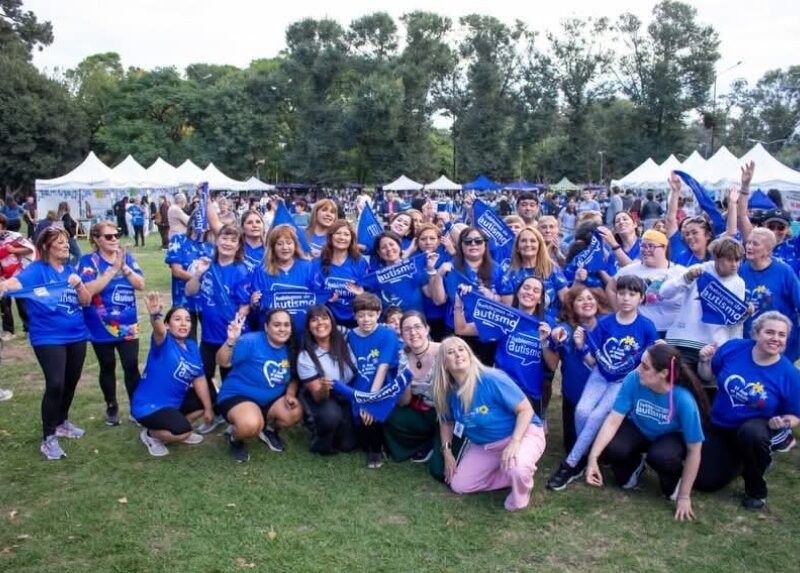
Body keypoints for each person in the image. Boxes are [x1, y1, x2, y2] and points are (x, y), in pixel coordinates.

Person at [547, 275, 658, 490]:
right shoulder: (606, 322)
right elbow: (592, 361)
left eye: (632, 294)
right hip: (600, 375)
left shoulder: (646, 326)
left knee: (597, 415)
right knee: (581, 412)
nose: (626, 298)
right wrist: (581, 347)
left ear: (641, 298)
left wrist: (637, 373)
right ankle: (587, 453)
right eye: (622, 293)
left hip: (623, 380)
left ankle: (571, 463)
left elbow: (649, 360)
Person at [585, 344, 708, 521]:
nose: (638, 369)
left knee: (661, 458)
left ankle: (673, 480)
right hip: (639, 427)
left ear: (663, 373)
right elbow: (613, 420)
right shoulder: (633, 379)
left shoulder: (683, 399)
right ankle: (635, 465)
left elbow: (695, 450)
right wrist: (593, 458)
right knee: (614, 451)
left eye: (645, 366)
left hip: (669, 437)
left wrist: (684, 496)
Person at [0, 227, 91, 460]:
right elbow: (16, 283)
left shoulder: (70, 270)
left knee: (70, 382)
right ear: (46, 247)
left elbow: (86, 301)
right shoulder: (37, 271)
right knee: (55, 384)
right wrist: (4, 286)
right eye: (59, 242)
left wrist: (79, 285)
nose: (66, 245)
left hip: (77, 335)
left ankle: (62, 422)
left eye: (66, 241)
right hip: (48, 337)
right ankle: (48, 437)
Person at [696, 311, 800, 510]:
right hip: (720, 425)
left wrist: (783, 422)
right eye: (769, 332)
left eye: (781, 335)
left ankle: (756, 489)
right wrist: (704, 361)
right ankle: (743, 460)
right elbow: (707, 377)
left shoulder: (790, 374)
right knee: (705, 483)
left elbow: (795, 415)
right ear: (756, 333)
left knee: (751, 434)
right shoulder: (734, 349)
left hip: (757, 428)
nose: (775, 338)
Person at [432, 336, 546, 511]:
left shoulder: (492, 379)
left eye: (461, 349)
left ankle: (521, 483)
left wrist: (515, 443)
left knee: (517, 469)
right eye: (451, 352)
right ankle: (512, 472)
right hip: (486, 446)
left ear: (469, 355)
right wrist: (447, 452)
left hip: (522, 434)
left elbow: (526, 410)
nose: (458, 354)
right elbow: (446, 422)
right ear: (444, 364)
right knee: (459, 485)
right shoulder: (448, 392)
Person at [185, 224, 251, 433]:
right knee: (203, 375)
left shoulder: (241, 270)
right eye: (224, 238)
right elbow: (189, 291)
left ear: (238, 245)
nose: (227, 243)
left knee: (230, 378)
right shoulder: (207, 265)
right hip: (209, 335)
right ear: (216, 240)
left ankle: (232, 417)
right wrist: (198, 274)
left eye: (233, 240)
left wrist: (236, 326)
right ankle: (213, 412)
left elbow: (245, 305)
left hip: (230, 337)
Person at [79, 222, 146, 425]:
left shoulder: (127, 258)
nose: (114, 239)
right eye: (108, 236)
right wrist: (113, 269)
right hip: (100, 323)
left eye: (116, 235)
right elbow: (88, 290)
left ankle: (136, 408)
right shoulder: (89, 261)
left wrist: (123, 266)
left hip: (127, 323)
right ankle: (112, 406)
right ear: (96, 239)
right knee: (107, 366)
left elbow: (141, 285)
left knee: (131, 365)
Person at [132, 293, 213, 457]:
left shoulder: (192, 346)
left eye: (187, 320)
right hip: (148, 406)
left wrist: (208, 409)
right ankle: (151, 435)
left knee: (211, 392)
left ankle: (176, 426)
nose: (183, 323)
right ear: (168, 325)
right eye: (177, 319)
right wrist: (155, 315)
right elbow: (159, 330)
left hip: (174, 403)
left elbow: (199, 378)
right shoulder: (164, 341)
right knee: (183, 431)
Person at [216, 309, 303, 462]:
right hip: (239, 395)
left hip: (271, 399)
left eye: (286, 325)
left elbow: (294, 377)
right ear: (266, 327)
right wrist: (230, 341)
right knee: (251, 424)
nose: (282, 329)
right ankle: (235, 439)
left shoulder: (292, 347)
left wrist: (290, 395)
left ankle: (269, 430)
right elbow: (223, 362)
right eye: (277, 325)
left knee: (295, 412)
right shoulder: (250, 341)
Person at [660, 237, 746, 388]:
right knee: (679, 391)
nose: (735, 265)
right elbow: (664, 292)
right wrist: (686, 277)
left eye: (738, 260)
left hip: (713, 348)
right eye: (730, 260)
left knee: (707, 395)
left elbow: (733, 322)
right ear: (716, 258)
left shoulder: (739, 283)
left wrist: (743, 315)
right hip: (683, 343)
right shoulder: (699, 270)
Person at [550, 286, 610, 453]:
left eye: (590, 298)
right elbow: (560, 332)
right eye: (580, 299)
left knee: (606, 451)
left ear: (597, 302)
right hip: (575, 395)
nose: (586, 302)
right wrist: (557, 334)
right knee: (572, 448)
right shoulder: (568, 328)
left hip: (603, 395)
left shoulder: (608, 325)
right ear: (572, 305)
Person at [347, 293, 400, 468]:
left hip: (382, 385)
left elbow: (383, 368)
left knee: (372, 414)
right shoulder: (350, 335)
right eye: (361, 315)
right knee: (359, 427)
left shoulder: (387, 334)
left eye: (370, 315)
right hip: (359, 385)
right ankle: (369, 442)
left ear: (378, 314)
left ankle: (376, 450)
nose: (366, 319)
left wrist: (371, 400)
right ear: (354, 316)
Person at [296, 305, 358, 454]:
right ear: (308, 327)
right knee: (330, 416)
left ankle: (340, 430)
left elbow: (367, 331)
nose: (320, 323)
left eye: (324, 318)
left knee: (348, 445)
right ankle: (319, 439)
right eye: (314, 320)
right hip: (323, 396)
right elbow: (318, 396)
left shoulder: (343, 334)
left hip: (348, 391)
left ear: (332, 321)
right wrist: (324, 388)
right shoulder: (305, 357)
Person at [383, 311, 441, 465]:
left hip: (448, 413)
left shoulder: (444, 351)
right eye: (407, 329)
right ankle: (425, 442)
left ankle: (441, 443)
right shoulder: (403, 356)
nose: (413, 333)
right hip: (425, 410)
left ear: (427, 329)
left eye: (417, 327)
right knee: (390, 414)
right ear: (402, 335)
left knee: (438, 470)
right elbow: (404, 402)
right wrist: (405, 383)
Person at [738, 227, 800, 362]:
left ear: (768, 250)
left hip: (781, 345)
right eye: (748, 242)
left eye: (755, 244)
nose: (749, 247)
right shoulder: (741, 270)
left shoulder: (784, 272)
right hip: (751, 341)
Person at [609, 229, 686, 337]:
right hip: (641, 330)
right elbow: (611, 288)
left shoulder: (680, 272)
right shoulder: (630, 270)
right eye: (643, 246)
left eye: (651, 246)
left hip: (673, 331)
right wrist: (620, 314)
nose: (646, 250)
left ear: (664, 247)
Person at [310, 221, 369, 329]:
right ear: (331, 236)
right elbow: (311, 294)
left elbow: (370, 293)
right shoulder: (317, 263)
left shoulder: (360, 262)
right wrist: (324, 299)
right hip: (327, 321)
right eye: (338, 233)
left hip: (355, 321)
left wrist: (362, 294)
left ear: (351, 239)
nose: (342, 237)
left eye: (346, 234)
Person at [0, 214, 32, 339]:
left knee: (22, 303)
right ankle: (8, 331)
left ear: (3, 226)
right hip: (2, 278)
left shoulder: (14, 237)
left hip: (18, 275)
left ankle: (28, 329)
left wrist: (14, 250)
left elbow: (29, 249)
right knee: (4, 305)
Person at [56, 202, 80, 266]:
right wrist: (72, 235)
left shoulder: (61, 217)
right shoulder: (66, 216)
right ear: (66, 207)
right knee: (78, 254)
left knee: (67, 256)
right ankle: (70, 267)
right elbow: (67, 226)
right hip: (70, 238)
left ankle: (65, 268)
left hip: (65, 237)